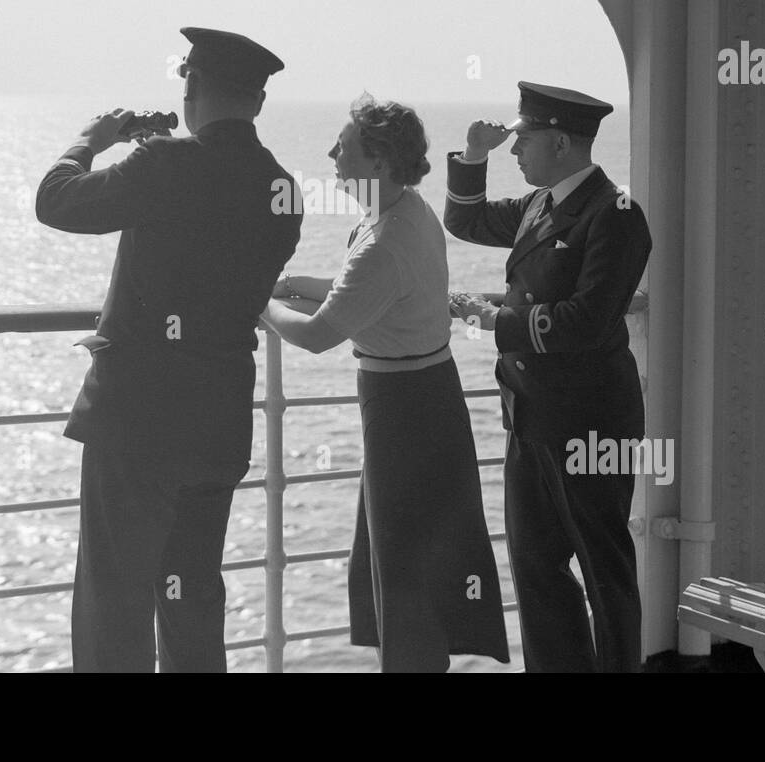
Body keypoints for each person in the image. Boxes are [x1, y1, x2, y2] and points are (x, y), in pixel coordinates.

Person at [35, 27, 302, 672]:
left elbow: (56, 201)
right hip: (217, 420)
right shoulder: (284, 190)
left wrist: (92, 140)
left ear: (190, 84)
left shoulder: (165, 164)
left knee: (114, 600)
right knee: (192, 596)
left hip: (136, 422)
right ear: (258, 103)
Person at [261, 94, 509, 672]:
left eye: (343, 147)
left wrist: (260, 304)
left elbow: (323, 333)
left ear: (377, 162)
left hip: (403, 412)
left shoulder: (384, 240)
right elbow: (365, 292)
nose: (330, 155)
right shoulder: (402, 211)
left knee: (404, 569)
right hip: (424, 399)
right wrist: (296, 282)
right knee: (413, 562)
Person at [444, 82, 651, 673]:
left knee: (603, 567)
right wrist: (474, 157)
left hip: (589, 419)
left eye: (523, 140)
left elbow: (588, 321)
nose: (517, 152)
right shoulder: (540, 205)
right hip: (532, 413)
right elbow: (466, 219)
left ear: (560, 141)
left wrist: (497, 321)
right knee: (536, 566)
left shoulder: (617, 215)